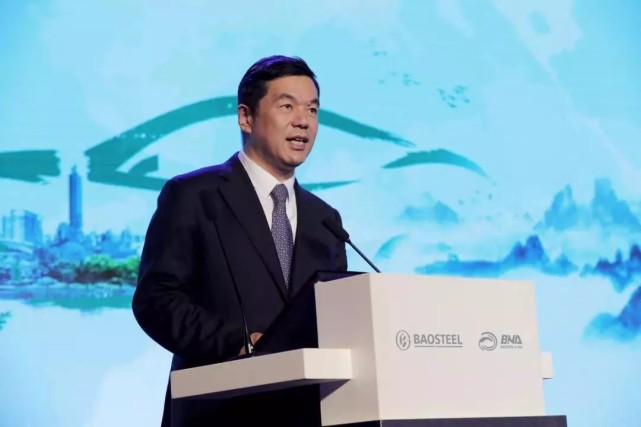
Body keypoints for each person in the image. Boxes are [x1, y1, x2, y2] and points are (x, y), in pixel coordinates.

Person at [132, 55, 348, 427]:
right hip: (217, 412)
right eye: (287, 106)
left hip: (305, 415)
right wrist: (240, 342)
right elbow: (156, 300)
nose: (303, 121)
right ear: (246, 117)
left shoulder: (325, 220)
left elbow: (339, 319)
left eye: (312, 110)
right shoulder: (194, 196)